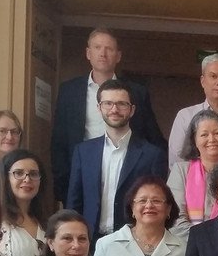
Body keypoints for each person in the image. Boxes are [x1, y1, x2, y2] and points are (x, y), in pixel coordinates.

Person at [50, 28, 164, 203]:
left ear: (118, 56)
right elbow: (59, 142)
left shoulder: (137, 92)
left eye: (109, 49)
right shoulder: (69, 91)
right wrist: (64, 189)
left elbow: (152, 137)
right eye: (97, 47)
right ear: (88, 53)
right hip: (83, 176)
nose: (103, 53)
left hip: (127, 175)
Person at [67, 79, 170, 241]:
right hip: (89, 241)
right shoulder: (83, 152)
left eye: (122, 104)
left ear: (132, 110)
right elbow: (74, 202)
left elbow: (159, 202)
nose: (114, 109)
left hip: (133, 240)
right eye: (108, 103)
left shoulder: (153, 155)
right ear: (99, 108)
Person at [167, 108, 218, 234]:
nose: (212, 139)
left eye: (217, 133)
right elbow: (175, 218)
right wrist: (203, 243)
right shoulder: (180, 170)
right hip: (186, 246)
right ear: (194, 141)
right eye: (204, 134)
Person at [0, 149, 48, 256]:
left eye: (33, 174)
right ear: (6, 179)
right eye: (18, 173)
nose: (27, 179)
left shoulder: (46, 224)